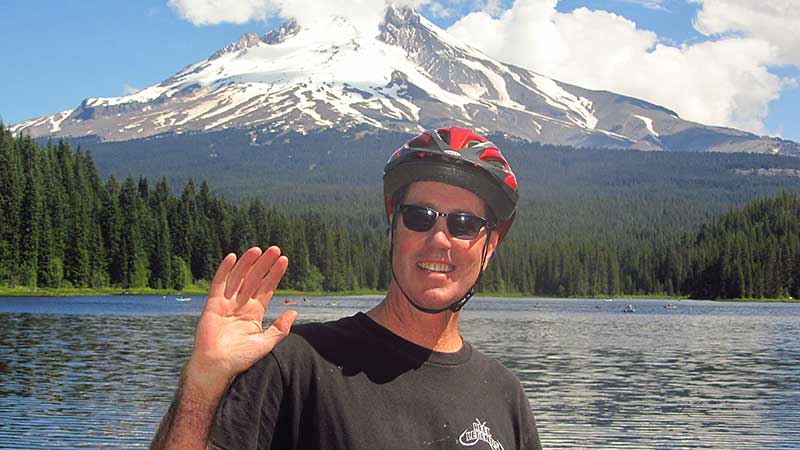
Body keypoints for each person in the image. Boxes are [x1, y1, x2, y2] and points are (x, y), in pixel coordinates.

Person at [151, 127, 542, 450]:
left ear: (489, 247)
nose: (439, 239)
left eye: (464, 224)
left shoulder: (505, 397)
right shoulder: (295, 366)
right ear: (393, 229)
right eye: (419, 217)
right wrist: (203, 382)